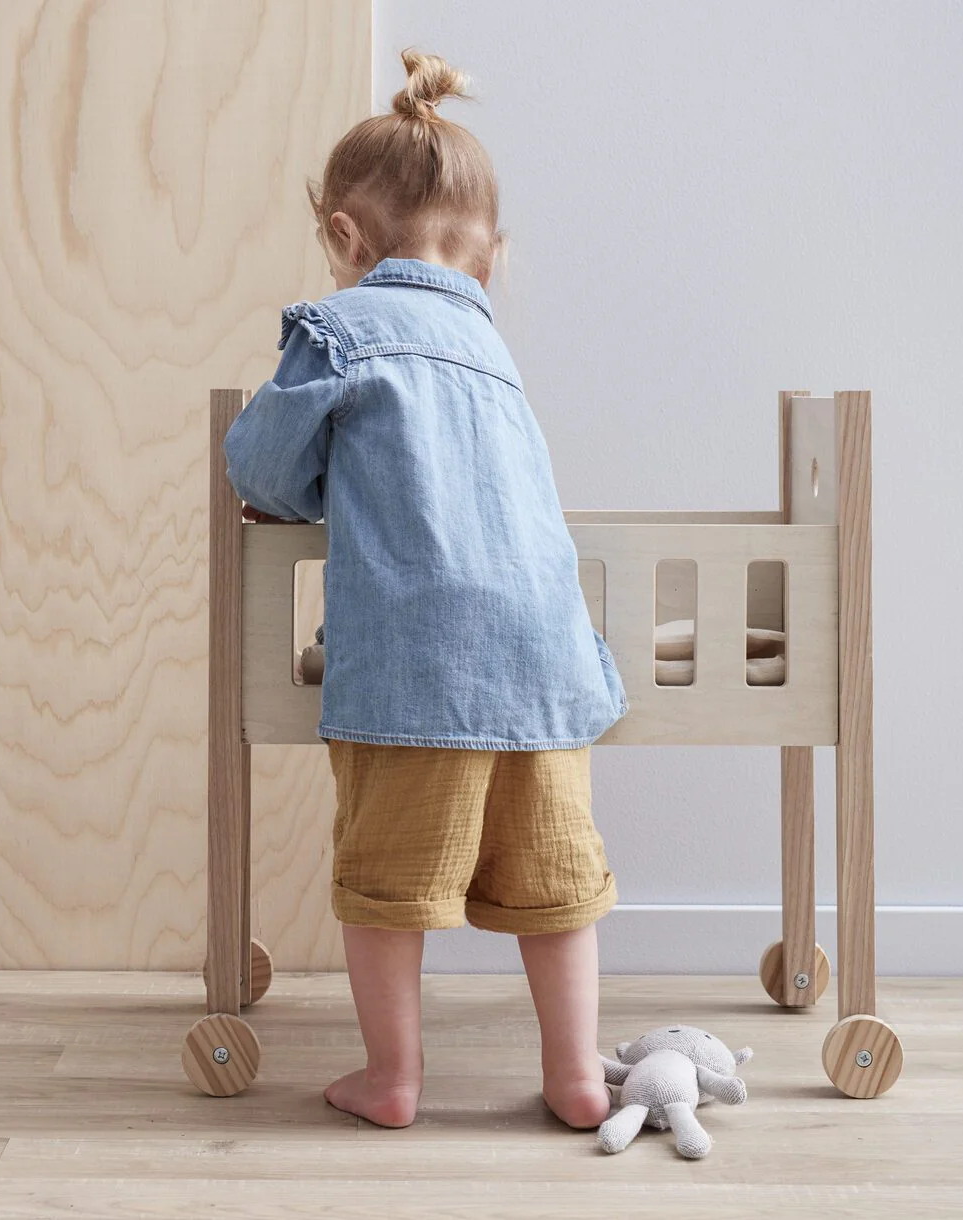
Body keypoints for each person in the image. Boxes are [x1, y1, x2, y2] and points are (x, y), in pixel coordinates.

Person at [224, 50, 627, 1130]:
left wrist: (302, 487)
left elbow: (261, 470)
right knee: (554, 885)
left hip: (418, 665)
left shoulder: (339, 330)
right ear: (490, 259)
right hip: (544, 666)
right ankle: (576, 1075)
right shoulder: (493, 356)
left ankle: (392, 1079)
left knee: (387, 887)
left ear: (343, 238)